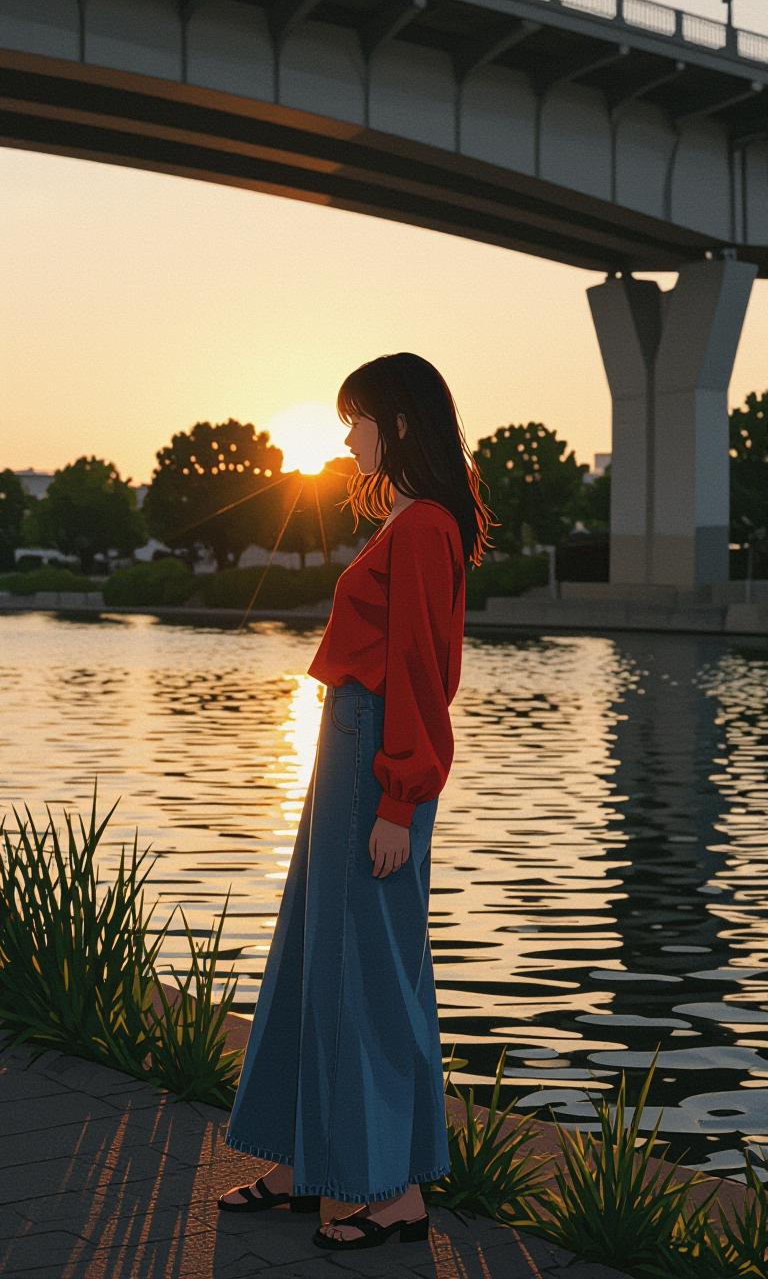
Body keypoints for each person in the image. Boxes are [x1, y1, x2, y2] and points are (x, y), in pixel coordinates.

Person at [218, 352, 497, 1251]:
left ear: (400, 424)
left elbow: (420, 669)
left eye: (358, 419)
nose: (346, 438)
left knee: (371, 972)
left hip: (377, 753)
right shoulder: (414, 522)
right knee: (314, 954)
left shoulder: (421, 530)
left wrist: (399, 798)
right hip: (352, 748)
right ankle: (310, 1162)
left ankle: (397, 1194)